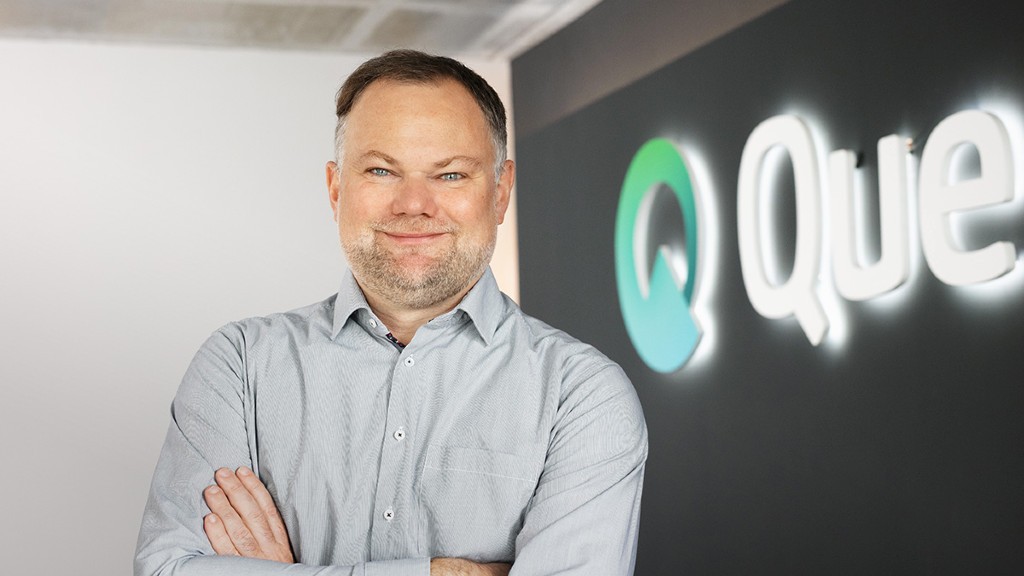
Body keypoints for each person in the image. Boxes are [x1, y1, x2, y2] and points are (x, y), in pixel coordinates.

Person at [135, 49, 647, 576]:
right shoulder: (240, 366)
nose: (413, 204)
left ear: (500, 191)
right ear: (336, 189)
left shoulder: (581, 396)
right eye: (381, 170)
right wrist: (442, 573)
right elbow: (166, 570)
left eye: (449, 175)